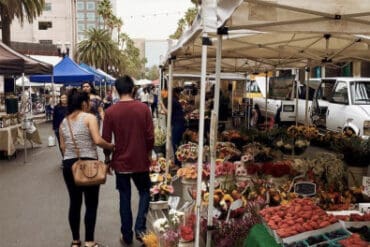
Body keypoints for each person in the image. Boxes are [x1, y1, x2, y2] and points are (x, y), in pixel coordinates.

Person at [102, 75, 154, 245]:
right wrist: (148, 154)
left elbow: (106, 140)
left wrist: (108, 159)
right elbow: (150, 136)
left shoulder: (110, 112)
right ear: (133, 89)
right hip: (140, 161)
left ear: (116, 90)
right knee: (145, 192)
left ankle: (127, 235)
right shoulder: (144, 109)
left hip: (121, 163)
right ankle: (140, 229)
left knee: (124, 197)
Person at [59, 89, 114, 247]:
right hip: (89, 163)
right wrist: (110, 145)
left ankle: (76, 241)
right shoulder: (89, 117)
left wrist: (72, 157)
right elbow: (97, 140)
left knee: (74, 202)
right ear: (84, 103)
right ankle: (90, 241)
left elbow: (63, 147)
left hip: (70, 164)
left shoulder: (64, 121)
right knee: (91, 203)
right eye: (88, 102)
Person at [160, 87, 185, 167]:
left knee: (175, 143)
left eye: (164, 91)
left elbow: (168, 113)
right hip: (178, 123)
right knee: (176, 143)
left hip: (178, 124)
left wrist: (161, 105)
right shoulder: (173, 100)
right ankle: (178, 162)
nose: (162, 92)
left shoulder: (172, 100)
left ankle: (178, 164)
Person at [53, 93, 68, 158]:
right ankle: (64, 158)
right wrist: (55, 128)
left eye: (65, 97)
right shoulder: (57, 107)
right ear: (60, 99)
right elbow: (54, 118)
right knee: (61, 144)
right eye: (62, 98)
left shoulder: (71, 107)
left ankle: (70, 158)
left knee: (69, 144)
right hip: (59, 129)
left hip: (69, 129)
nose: (64, 99)